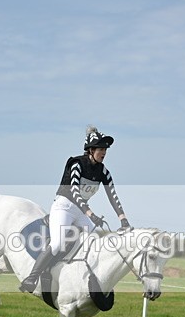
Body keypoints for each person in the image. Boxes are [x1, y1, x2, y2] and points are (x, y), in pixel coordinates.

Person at [19, 125, 131, 293]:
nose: (104, 152)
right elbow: (74, 191)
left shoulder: (104, 172)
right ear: (91, 150)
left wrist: (123, 219)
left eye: (105, 149)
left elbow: (113, 195)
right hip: (64, 206)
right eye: (101, 149)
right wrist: (90, 213)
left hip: (81, 210)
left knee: (93, 242)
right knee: (57, 243)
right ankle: (32, 278)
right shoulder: (77, 164)